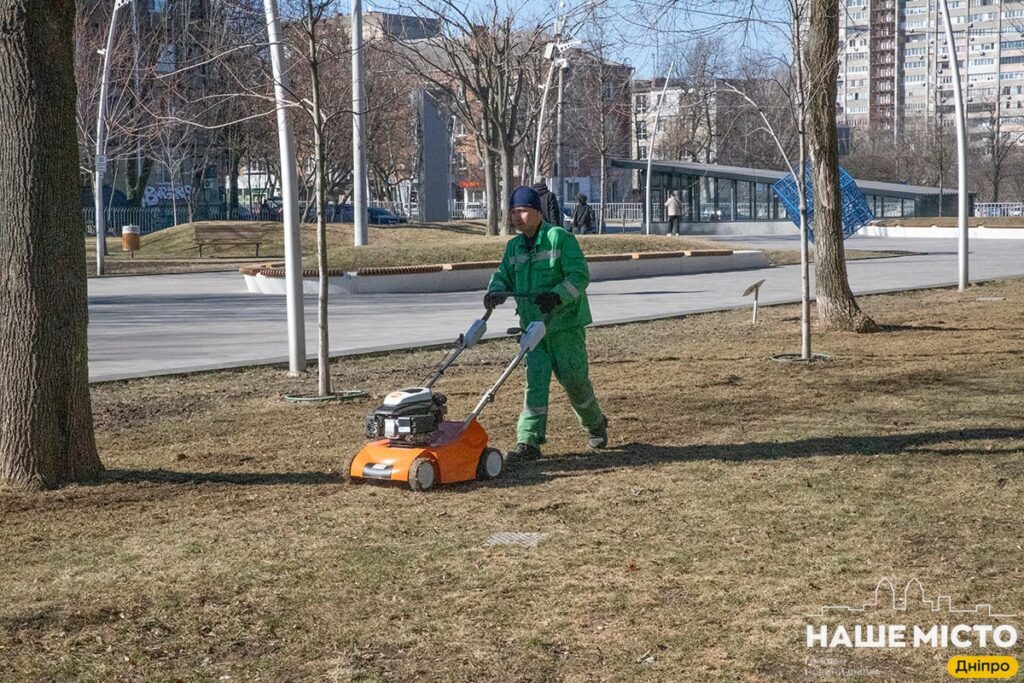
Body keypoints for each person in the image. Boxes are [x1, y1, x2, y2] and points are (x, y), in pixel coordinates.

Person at [484, 186, 609, 463]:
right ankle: (528, 440)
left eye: (523, 211)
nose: (517, 217)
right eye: (514, 212)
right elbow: (503, 274)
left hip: (564, 327)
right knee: (535, 384)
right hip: (533, 330)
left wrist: (557, 296)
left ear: (538, 212)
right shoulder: (514, 247)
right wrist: (496, 290)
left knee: (574, 380)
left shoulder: (559, 239)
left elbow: (579, 276)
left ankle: (595, 424)